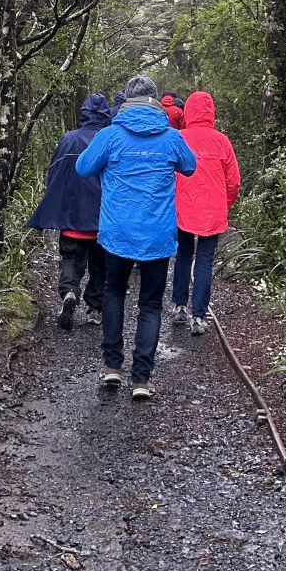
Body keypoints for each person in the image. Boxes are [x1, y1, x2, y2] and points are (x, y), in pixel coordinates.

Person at [76, 72, 195, 400]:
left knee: (114, 292)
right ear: (154, 100)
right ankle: (141, 378)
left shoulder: (111, 135)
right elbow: (190, 166)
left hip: (117, 232)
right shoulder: (170, 136)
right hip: (157, 234)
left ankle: (112, 366)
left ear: (127, 100)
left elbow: (83, 168)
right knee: (151, 304)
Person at [27, 94, 112, 329]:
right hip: (103, 220)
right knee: (100, 265)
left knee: (70, 258)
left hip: (72, 216)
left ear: (83, 113)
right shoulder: (110, 139)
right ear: (106, 115)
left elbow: (54, 175)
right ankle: (95, 308)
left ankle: (68, 292)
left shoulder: (68, 140)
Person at [171, 91, 240, 335]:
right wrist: (224, 204)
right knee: (204, 261)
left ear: (188, 111)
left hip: (182, 209)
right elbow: (233, 182)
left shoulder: (179, 137)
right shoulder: (222, 141)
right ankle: (198, 316)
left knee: (183, 255)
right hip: (212, 211)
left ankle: (179, 306)